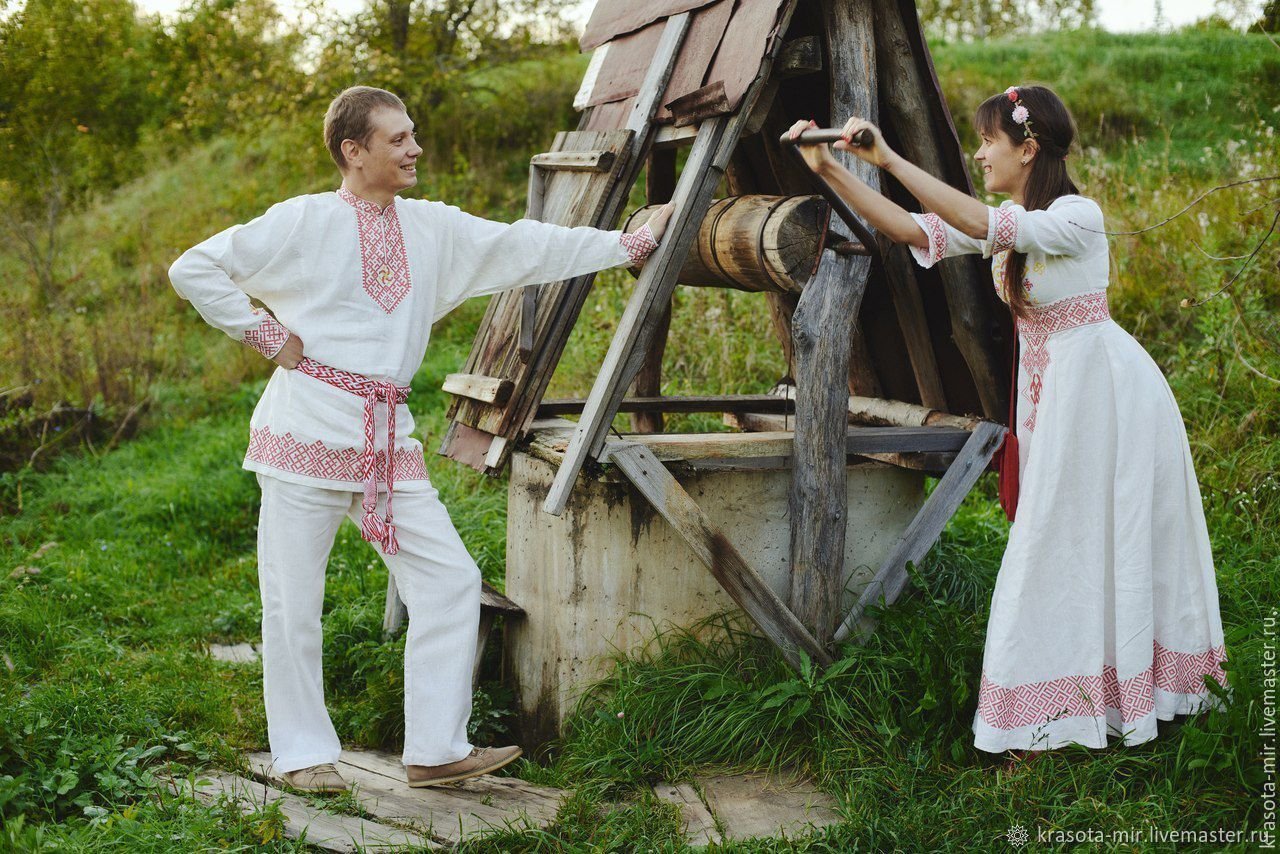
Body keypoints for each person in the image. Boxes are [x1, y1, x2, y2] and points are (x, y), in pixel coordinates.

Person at [169, 86, 674, 791]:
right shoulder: (302, 221)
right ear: (354, 151)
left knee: (449, 581)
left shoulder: (431, 226)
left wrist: (625, 244)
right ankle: (303, 755)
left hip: (387, 442)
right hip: (304, 433)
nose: (415, 148)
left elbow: (524, 244)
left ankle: (434, 749)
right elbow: (193, 267)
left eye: (413, 134)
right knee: (292, 604)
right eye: (398, 138)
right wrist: (265, 335)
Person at [788, 85, 1228, 766]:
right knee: (1066, 538)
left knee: (1084, 536)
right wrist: (830, 169)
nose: (980, 153)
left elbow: (981, 222)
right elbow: (911, 229)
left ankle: (1085, 710)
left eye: (989, 141)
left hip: (1107, 397)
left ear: (1029, 149)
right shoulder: (1011, 218)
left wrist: (890, 158)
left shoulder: (1077, 216)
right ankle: (1072, 709)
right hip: (1058, 397)